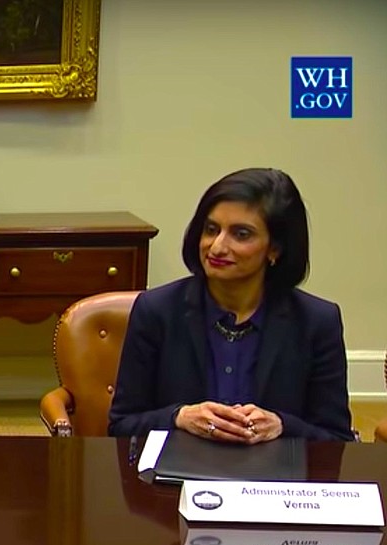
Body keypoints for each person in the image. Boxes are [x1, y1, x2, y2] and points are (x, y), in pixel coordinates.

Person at [108, 168, 353, 442]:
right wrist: (179, 417)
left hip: (274, 480)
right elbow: (121, 424)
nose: (217, 247)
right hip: (176, 477)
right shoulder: (157, 310)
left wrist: (282, 426)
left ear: (275, 249)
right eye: (211, 230)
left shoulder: (317, 322)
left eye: (241, 234)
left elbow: (337, 439)